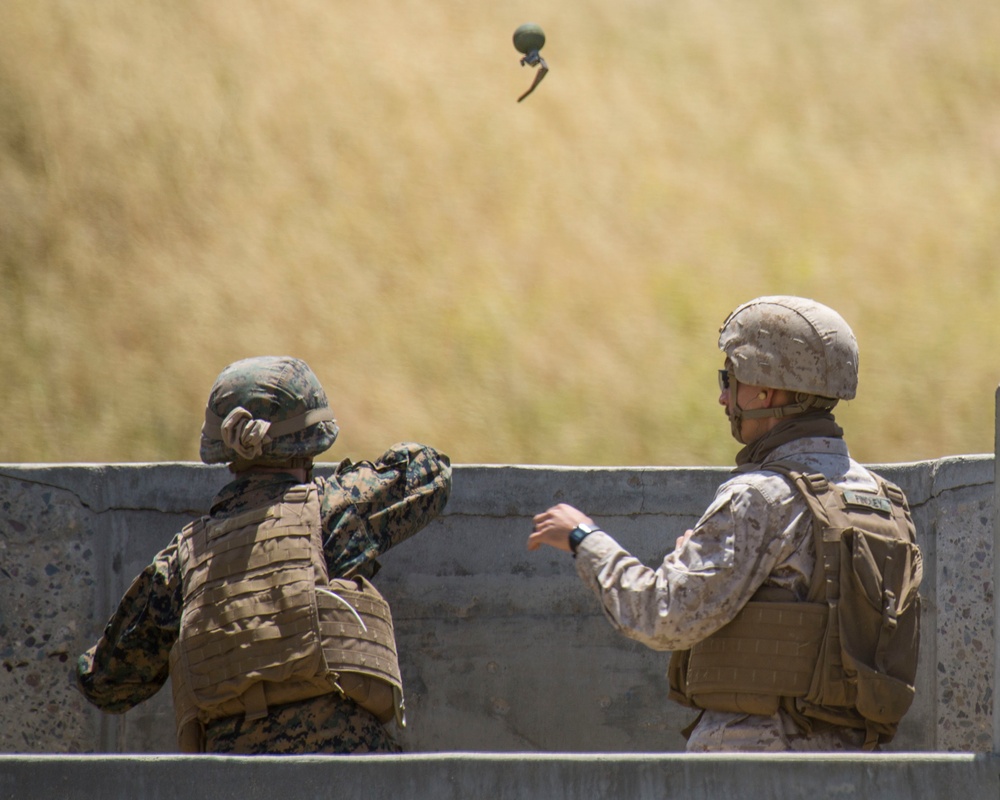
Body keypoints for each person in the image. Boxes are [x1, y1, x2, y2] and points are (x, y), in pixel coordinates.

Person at [528, 296, 922, 752]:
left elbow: (663, 615)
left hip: (752, 763)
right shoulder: (887, 501)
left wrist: (583, 539)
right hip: (856, 767)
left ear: (764, 392)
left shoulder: (759, 496)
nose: (722, 396)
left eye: (729, 379)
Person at [76, 356, 452, 754]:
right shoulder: (333, 510)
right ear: (308, 444)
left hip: (231, 777)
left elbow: (105, 683)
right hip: (345, 765)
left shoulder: (182, 559)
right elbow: (430, 471)